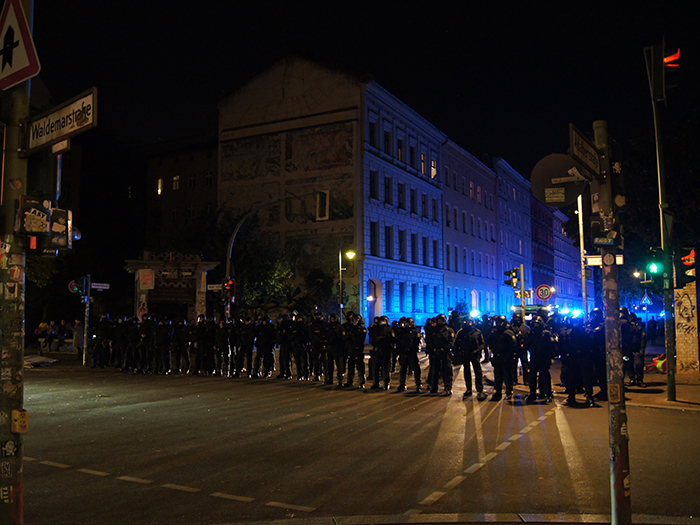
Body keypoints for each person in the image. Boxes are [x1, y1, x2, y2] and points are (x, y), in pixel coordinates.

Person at [453, 317, 487, 400]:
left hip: (474, 354)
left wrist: (477, 350)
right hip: (465, 355)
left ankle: (479, 389)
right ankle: (468, 389)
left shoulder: (477, 332)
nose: (469, 323)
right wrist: (458, 355)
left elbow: (482, 343)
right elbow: (456, 345)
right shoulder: (461, 332)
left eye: (470, 322)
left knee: (478, 372)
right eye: (468, 322)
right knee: (467, 372)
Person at [486, 316, 517, 401]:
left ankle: (509, 391)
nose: (499, 324)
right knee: (498, 375)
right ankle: (498, 391)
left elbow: (513, 345)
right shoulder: (495, 332)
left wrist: (509, 356)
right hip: (497, 356)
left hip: (506, 356)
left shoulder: (508, 333)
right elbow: (488, 341)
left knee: (508, 375)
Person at [525, 316, 554, 403]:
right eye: (534, 324)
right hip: (534, 357)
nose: (536, 325)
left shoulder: (546, 334)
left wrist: (549, 358)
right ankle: (532, 393)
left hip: (544, 358)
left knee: (545, 376)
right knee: (532, 376)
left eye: (537, 324)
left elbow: (551, 347)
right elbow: (527, 344)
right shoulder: (532, 333)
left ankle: (547, 393)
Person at [427, 314, 454, 395]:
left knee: (447, 370)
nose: (440, 322)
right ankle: (434, 387)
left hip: (445, 352)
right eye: (438, 320)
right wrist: (434, 348)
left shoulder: (449, 330)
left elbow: (451, 341)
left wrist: (445, 348)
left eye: (441, 320)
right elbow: (429, 340)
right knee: (435, 370)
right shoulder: (433, 330)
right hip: (436, 352)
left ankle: (448, 387)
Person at [396, 317, 422, 392]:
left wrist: (412, 349)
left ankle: (418, 384)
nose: (407, 324)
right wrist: (401, 350)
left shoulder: (415, 332)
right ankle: (402, 384)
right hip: (404, 353)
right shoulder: (402, 332)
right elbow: (398, 341)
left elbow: (417, 342)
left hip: (412, 353)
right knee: (403, 369)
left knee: (416, 369)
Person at [371, 316, 395, 390]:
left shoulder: (389, 330)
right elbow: (372, 338)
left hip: (386, 350)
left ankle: (386, 383)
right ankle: (376, 382)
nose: (382, 322)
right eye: (381, 320)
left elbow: (393, 340)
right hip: (377, 350)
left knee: (386, 368)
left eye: (384, 320)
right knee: (376, 368)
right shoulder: (375, 329)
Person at [345, 315, 368, 388]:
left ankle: (362, 382)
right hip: (351, 349)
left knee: (360, 366)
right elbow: (346, 338)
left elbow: (361, 339)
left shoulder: (361, 329)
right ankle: (349, 380)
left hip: (358, 349)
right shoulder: (350, 328)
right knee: (350, 366)